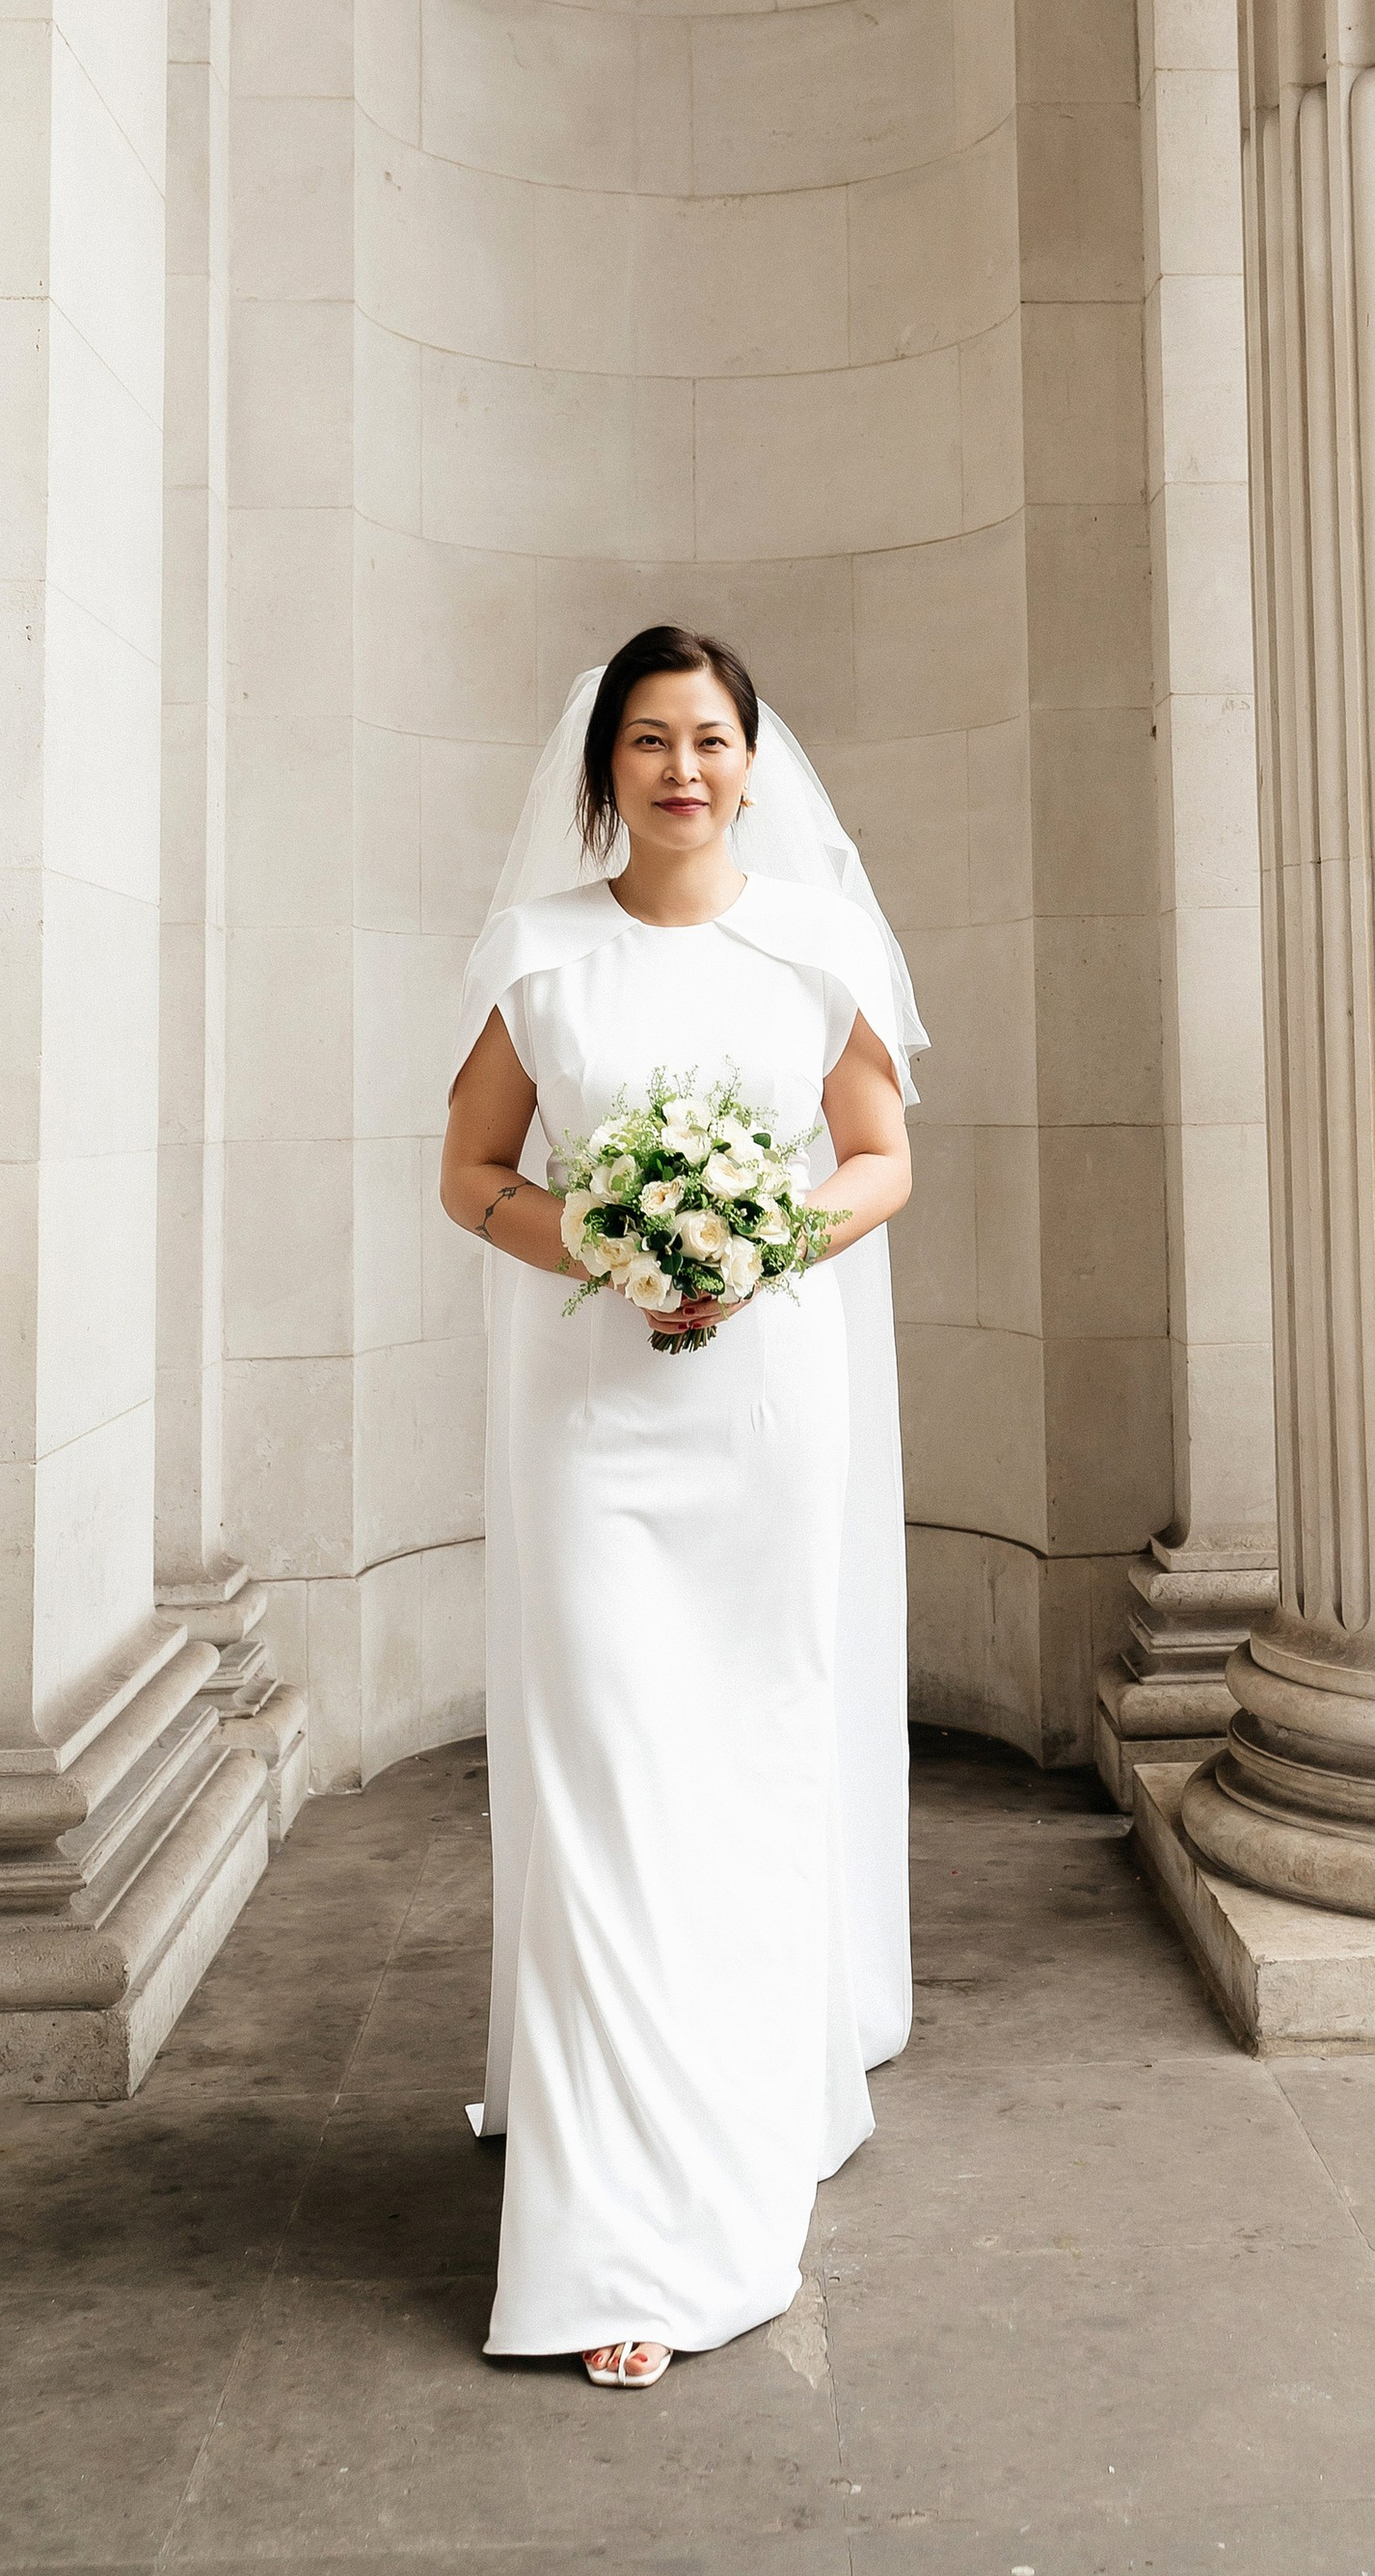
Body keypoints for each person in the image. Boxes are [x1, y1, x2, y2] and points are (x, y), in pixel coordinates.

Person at [440, 626, 922, 2390]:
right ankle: (617, 2234)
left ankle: (738, 2120)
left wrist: (749, 1239)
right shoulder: (539, 956)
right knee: (606, 1792)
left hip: (761, 1427)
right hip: (593, 1431)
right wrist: (606, 1241)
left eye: (709, 739)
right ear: (603, 773)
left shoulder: (816, 946)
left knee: (743, 1770)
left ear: (750, 758)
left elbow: (881, 1156)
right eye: (647, 742)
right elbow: (469, 1172)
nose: (682, 770)